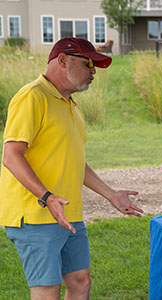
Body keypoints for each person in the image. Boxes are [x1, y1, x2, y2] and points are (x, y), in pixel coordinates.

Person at [0, 37, 144, 300]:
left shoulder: (72, 106)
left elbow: (76, 162)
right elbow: (11, 156)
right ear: (63, 60)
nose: (93, 71)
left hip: (68, 213)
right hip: (36, 215)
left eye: (95, 66)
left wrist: (111, 194)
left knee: (80, 282)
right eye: (88, 63)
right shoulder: (32, 97)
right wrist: (47, 197)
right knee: (47, 292)